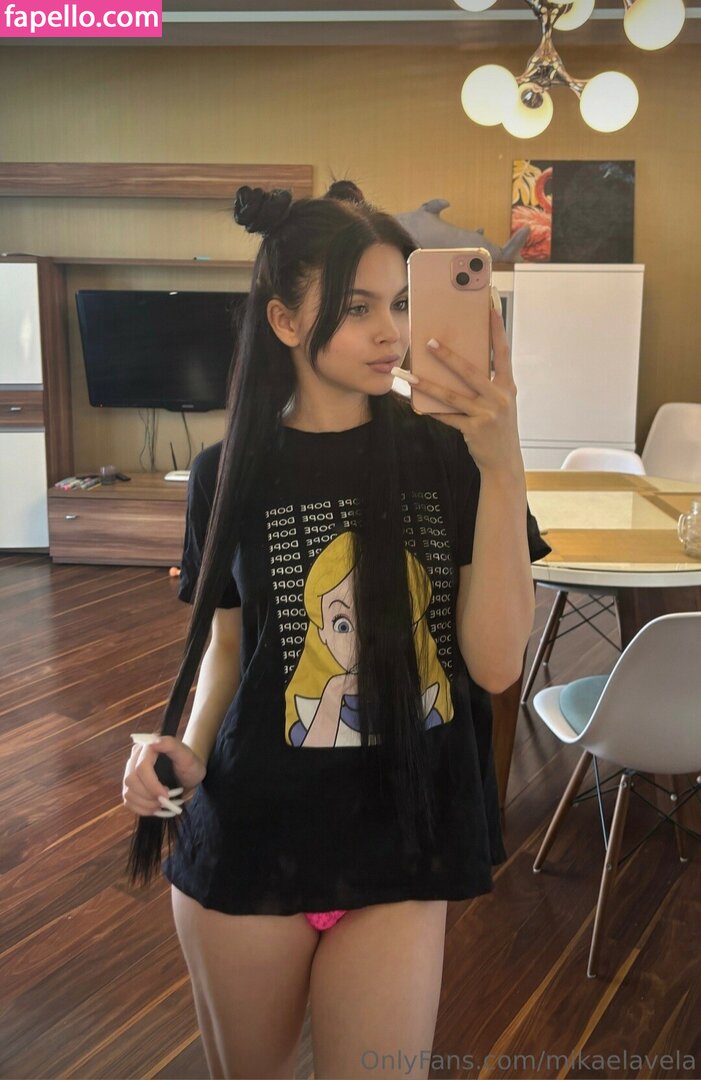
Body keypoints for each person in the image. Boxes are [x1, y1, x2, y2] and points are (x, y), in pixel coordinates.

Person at [121, 180, 550, 1080]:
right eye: (356, 309)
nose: (391, 332)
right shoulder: (225, 472)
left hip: (404, 838)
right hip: (250, 840)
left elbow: (494, 665)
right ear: (284, 321)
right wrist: (185, 747)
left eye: (399, 303)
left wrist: (502, 463)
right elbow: (230, 648)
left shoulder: (449, 456)